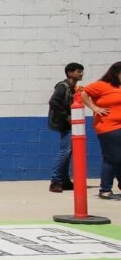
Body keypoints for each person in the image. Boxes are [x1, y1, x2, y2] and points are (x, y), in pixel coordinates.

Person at [81, 62, 121, 194]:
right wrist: (95, 108)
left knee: (112, 158)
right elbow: (82, 93)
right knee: (113, 158)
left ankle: (107, 188)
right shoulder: (102, 85)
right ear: (116, 73)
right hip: (109, 127)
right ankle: (106, 189)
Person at [47, 63, 83, 193]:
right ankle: (55, 181)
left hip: (70, 123)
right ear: (69, 73)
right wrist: (67, 116)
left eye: (82, 71)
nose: (81, 74)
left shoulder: (73, 88)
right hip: (65, 123)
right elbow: (53, 101)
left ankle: (64, 181)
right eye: (78, 71)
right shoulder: (63, 86)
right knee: (65, 151)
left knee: (68, 152)